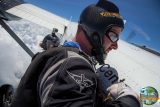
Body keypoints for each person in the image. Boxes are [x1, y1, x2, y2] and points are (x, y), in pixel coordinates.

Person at [11, 0, 141, 107]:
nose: (116, 45)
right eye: (113, 36)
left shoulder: (63, 56)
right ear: (95, 32)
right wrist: (129, 99)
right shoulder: (73, 64)